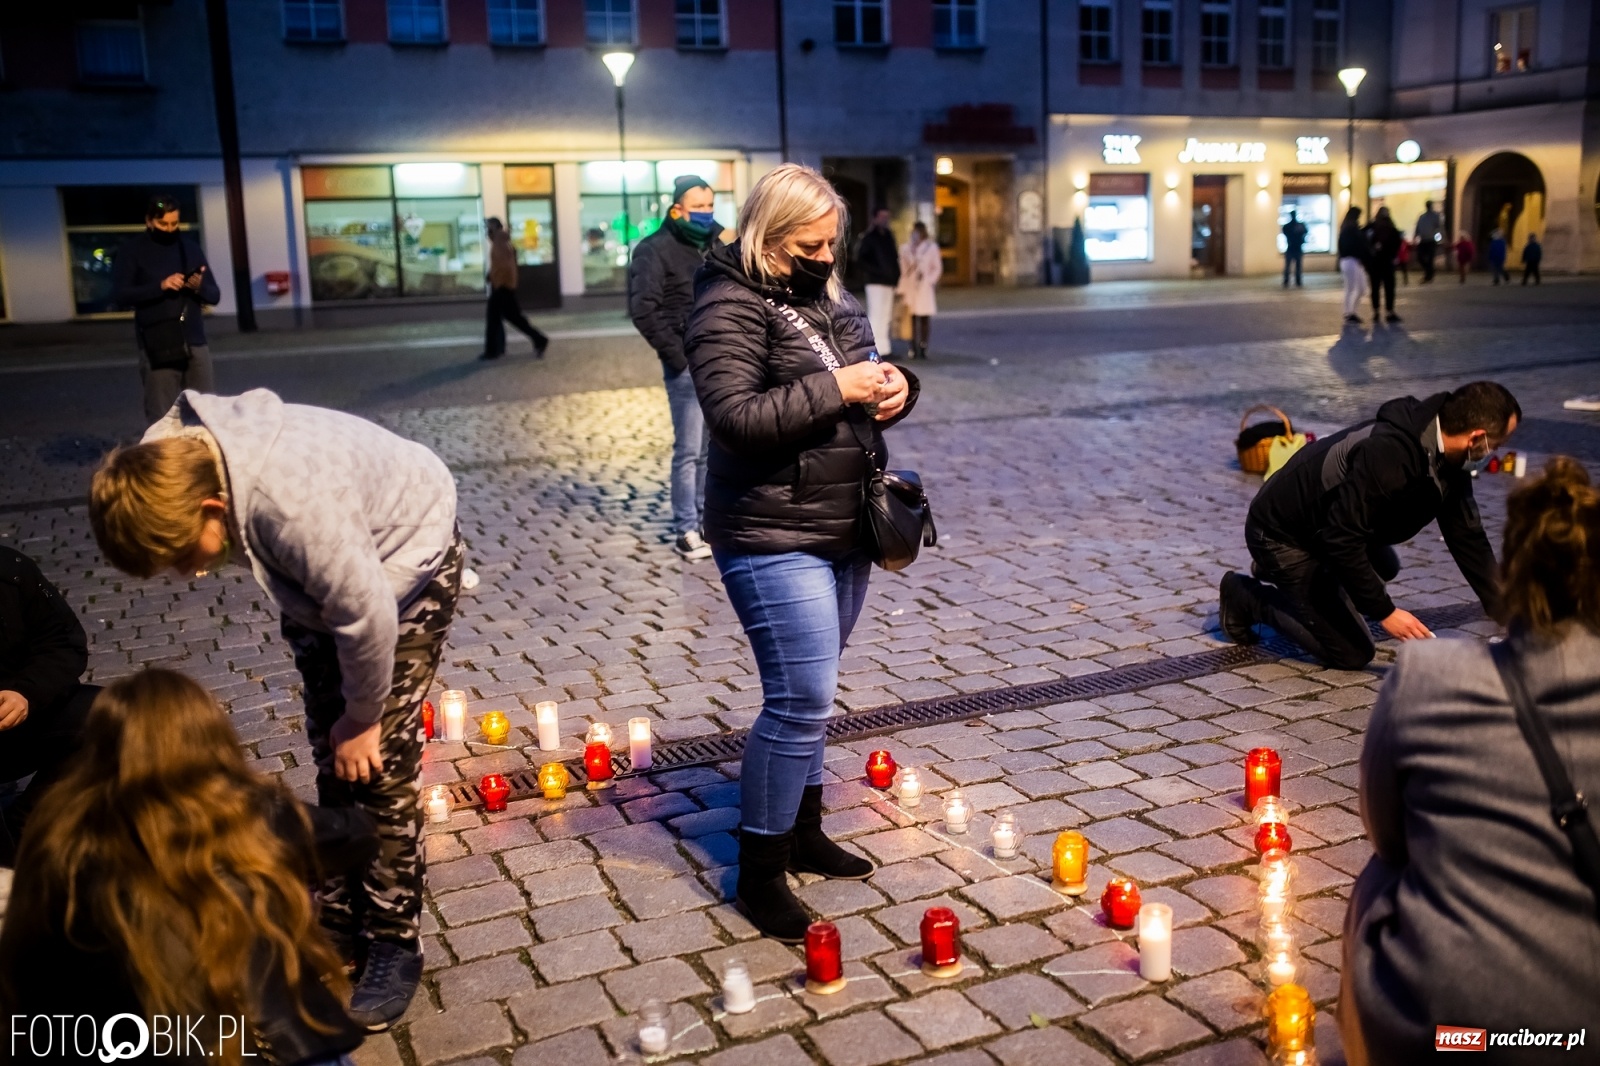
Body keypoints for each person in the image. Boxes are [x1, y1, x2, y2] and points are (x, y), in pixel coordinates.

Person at [87, 388, 462, 1030]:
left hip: (400, 561)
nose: (186, 574)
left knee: (380, 765)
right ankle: (339, 919)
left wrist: (363, 719)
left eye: (183, 557)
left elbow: (367, 616)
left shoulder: (292, 510)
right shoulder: (162, 461)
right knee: (334, 758)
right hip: (325, 581)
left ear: (213, 507)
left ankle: (395, 942)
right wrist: (342, 729)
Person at [684, 164, 919, 943]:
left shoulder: (830, 295)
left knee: (812, 691)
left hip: (844, 521)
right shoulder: (726, 303)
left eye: (830, 244)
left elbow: (866, 376)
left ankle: (805, 831)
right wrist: (842, 388)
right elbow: (736, 418)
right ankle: (759, 872)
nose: (825, 257)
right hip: (769, 529)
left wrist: (897, 387)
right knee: (800, 697)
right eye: (809, 246)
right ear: (768, 236)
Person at [1339, 457, 1600, 1064]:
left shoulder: (1430, 676)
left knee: (1380, 875)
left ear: (1511, 572)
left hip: (1451, 1035)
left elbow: (1386, 834)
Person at [0, 669, 366, 1066]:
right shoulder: (243, 814)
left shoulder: (56, 828)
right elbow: (357, 834)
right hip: (233, 1038)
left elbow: (27, 963)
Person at [1219, 381, 1522, 670]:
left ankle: (1296, 580)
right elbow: (1342, 537)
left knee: (1383, 567)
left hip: (1324, 527)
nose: (1494, 452)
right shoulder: (1390, 453)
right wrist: (1385, 612)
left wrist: (1508, 615)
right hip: (1280, 533)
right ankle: (1247, 596)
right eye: (1497, 444)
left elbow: (1467, 536)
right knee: (1352, 651)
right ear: (1476, 438)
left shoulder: (1449, 456)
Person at [629, 175, 725, 561]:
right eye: (697, 207)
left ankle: (707, 522)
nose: (705, 213)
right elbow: (643, 309)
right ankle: (686, 528)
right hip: (686, 365)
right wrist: (678, 356)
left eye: (709, 205)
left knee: (712, 448)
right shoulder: (653, 249)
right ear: (676, 209)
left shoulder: (716, 244)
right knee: (688, 450)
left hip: (720, 360)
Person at [0, 547, 98, 867]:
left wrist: (24, 692)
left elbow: (63, 642)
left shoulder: (11, 571)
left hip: (15, 724)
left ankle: (28, 825)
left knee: (107, 717)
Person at [113, 193, 223, 423]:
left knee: (206, 413)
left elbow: (214, 295)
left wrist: (198, 287)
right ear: (149, 221)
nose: (170, 229)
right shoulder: (133, 250)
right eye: (163, 224)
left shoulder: (190, 248)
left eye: (175, 224)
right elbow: (121, 295)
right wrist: (160, 286)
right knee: (162, 416)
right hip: (158, 342)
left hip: (194, 341)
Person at [479, 217, 548, 361]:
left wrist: (495, 279)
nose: (487, 229)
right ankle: (538, 339)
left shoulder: (499, 242)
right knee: (512, 317)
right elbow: (501, 264)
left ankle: (493, 351)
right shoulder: (500, 240)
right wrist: (492, 275)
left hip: (502, 287)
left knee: (495, 318)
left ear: (495, 227)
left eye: (489, 226)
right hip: (504, 286)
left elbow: (504, 266)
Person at [855, 208, 901, 353]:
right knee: (876, 314)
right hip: (875, 282)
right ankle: (874, 348)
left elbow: (894, 258)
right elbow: (861, 260)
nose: (885, 220)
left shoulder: (888, 236)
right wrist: (876, 272)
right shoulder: (869, 237)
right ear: (875, 218)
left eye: (886, 216)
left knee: (886, 315)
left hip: (888, 282)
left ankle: (884, 349)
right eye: (882, 217)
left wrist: (895, 276)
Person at [897, 221, 942, 360]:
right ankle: (912, 346)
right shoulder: (905, 248)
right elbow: (903, 268)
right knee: (911, 318)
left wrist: (929, 280)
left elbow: (937, 267)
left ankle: (923, 346)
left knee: (924, 317)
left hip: (924, 287)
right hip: (910, 287)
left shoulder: (931, 247)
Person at [1364, 206, 1403, 324]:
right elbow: (1398, 241)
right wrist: (1394, 255)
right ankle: (1389, 311)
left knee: (1375, 287)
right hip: (1387, 261)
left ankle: (1376, 311)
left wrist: (1370, 251)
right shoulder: (1391, 226)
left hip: (1375, 262)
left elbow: (1364, 238)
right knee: (1389, 287)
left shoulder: (1372, 226)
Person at [1337, 207, 1370, 325]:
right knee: (1352, 287)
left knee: (1358, 288)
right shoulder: (1350, 229)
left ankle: (1350, 312)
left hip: (1352, 260)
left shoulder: (1348, 228)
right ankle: (1349, 312)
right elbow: (1355, 245)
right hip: (1351, 260)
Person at [1413, 199, 1443, 282]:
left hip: (1431, 240)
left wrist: (1439, 239)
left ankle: (1428, 275)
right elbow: (1418, 228)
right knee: (1420, 257)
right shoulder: (1422, 217)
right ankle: (1429, 271)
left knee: (1430, 258)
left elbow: (1439, 228)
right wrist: (1415, 236)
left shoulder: (1435, 216)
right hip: (1423, 239)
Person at [1281, 210, 1307, 288]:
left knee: (1292, 266)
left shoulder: (1291, 226)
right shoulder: (1296, 226)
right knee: (1294, 266)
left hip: (1293, 247)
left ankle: (1291, 281)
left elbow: (1305, 231)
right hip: (1294, 247)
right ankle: (1294, 281)